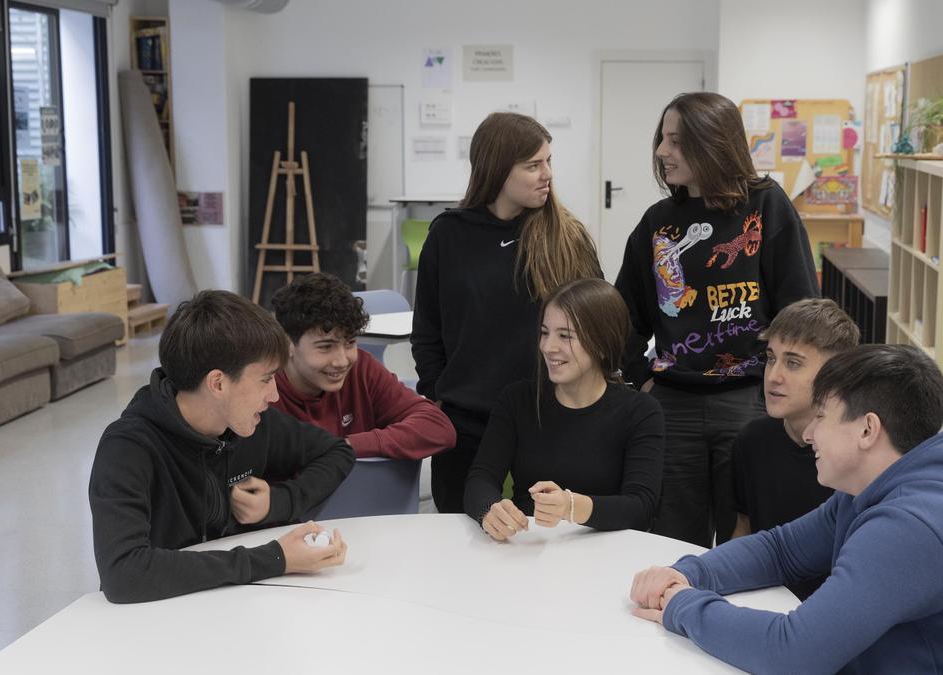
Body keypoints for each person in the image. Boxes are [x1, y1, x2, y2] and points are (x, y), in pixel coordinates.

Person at [629, 345, 943, 674]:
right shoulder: (872, 488)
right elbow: (781, 549)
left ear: (867, 429)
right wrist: (688, 574)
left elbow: (793, 653)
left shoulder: (915, 526)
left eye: (821, 416)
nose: (808, 433)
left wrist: (681, 605)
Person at [615, 91, 819, 548]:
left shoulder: (766, 206)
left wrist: (789, 387)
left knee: (743, 541)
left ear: (711, 143)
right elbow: (621, 315)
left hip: (748, 401)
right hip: (671, 404)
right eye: (662, 140)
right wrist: (640, 377)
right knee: (670, 543)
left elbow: (801, 310)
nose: (662, 153)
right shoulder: (658, 223)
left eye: (675, 141)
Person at [88, 290, 355, 604]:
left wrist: (279, 502)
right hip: (162, 621)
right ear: (217, 383)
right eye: (265, 379)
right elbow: (124, 574)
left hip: (239, 605)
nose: (275, 395)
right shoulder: (127, 448)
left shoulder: (251, 423)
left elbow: (338, 452)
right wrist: (275, 559)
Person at [412, 111, 601, 513]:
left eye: (548, 161)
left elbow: (597, 321)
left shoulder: (567, 236)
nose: (546, 174)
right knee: (462, 538)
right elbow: (427, 328)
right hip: (466, 421)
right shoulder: (449, 233)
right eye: (533, 165)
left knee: (544, 544)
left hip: (548, 416)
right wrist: (438, 390)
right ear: (497, 170)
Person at [463, 278, 664, 539]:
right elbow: (480, 478)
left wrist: (571, 507)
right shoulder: (517, 400)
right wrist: (489, 510)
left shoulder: (641, 412)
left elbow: (641, 507)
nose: (547, 347)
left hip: (607, 556)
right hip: (528, 548)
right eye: (545, 333)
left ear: (602, 343)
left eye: (565, 336)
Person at [730, 298, 860, 599]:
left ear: (835, 373)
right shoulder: (751, 440)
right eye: (771, 358)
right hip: (764, 599)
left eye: (793, 363)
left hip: (834, 611)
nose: (773, 376)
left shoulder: (856, 459)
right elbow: (742, 532)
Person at [269, 272, 455, 460]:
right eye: (325, 347)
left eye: (350, 343)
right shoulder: (262, 389)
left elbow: (438, 427)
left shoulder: (362, 370)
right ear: (287, 344)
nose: (341, 361)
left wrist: (345, 446)